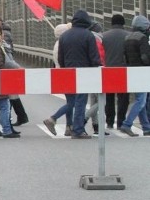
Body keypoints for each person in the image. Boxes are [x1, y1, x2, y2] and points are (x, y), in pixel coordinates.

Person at [57, 9, 101, 139]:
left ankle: (69, 126)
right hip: (84, 73)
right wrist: (96, 70)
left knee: (71, 101)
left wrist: (65, 68)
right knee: (80, 102)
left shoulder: (64, 36)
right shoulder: (88, 35)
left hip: (68, 73)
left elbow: (60, 58)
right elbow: (94, 57)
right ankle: (78, 130)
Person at [118, 15, 150, 136]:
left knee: (139, 99)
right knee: (141, 101)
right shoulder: (142, 38)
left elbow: (125, 56)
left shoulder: (127, 37)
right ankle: (127, 124)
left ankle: (146, 128)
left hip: (131, 71)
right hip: (141, 72)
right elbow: (145, 57)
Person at [43, 23, 75, 137]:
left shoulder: (58, 44)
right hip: (66, 74)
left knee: (70, 102)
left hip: (61, 74)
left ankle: (69, 126)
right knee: (73, 102)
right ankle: (52, 119)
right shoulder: (62, 44)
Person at [101, 14, 129, 130]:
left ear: (112, 23)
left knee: (109, 97)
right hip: (123, 70)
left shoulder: (104, 36)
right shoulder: (128, 36)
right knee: (123, 98)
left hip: (108, 69)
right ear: (123, 23)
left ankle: (109, 121)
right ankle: (121, 121)